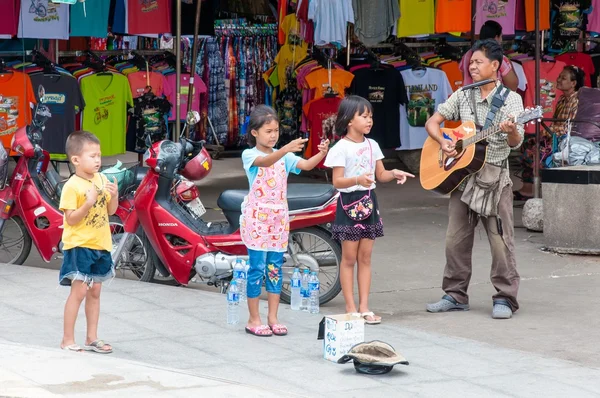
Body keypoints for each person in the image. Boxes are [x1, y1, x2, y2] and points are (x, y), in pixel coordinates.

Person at [424, 39, 525, 319]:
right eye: (471, 62)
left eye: (478, 61)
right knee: (455, 239)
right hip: (462, 176)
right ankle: (455, 295)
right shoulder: (463, 94)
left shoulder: (512, 100)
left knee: (500, 241)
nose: (473, 66)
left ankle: (505, 297)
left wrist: (510, 130)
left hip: (494, 176)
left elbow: (516, 141)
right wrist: (443, 141)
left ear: (496, 66)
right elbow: (432, 123)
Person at [324, 96, 414, 325]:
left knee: (365, 257)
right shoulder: (340, 147)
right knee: (349, 258)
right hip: (348, 203)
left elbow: (380, 175)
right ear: (348, 120)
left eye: (370, 116)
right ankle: (351, 307)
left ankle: (364, 307)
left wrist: (394, 173)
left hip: (369, 201)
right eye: (363, 116)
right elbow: (337, 181)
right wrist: (357, 179)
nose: (369, 120)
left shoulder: (372, 145)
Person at [241, 105, 330, 337]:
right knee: (257, 268)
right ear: (254, 133)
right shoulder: (250, 155)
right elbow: (267, 161)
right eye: (268, 131)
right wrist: (287, 149)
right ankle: (254, 318)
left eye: (276, 130)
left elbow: (307, 165)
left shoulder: (285, 156)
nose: (273, 135)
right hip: (258, 220)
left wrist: (321, 152)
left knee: (274, 268)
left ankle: (273, 317)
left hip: (278, 220)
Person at [59, 131, 119, 352]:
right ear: (76, 160)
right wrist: (88, 203)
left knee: (95, 291)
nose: (98, 160)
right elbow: (71, 219)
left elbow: (111, 211)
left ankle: (91, 337)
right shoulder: (72, 186)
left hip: (101, 244)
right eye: (92, 156)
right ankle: (67, 339)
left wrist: (114, 195)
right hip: (80, 245)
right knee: (80, 291)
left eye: (99, 156)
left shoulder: (101, 179)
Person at [515, 65, 585, 199]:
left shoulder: (576, 100)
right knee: (525, 143)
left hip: (565, 141)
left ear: (573, 83)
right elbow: (555, 123)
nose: (558, 80)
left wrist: (548, 132)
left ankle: (543, 188)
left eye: (563, 78)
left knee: (533, 152)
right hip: (554, 137)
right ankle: (528, 188)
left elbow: (569, 128)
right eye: (559, 76)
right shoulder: (562, 99)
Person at [459, 20, 519, 92]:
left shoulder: (467, 55)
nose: (501, 40)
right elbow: (513, 85)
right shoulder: (497, 56)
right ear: (496, 37)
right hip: (491, 100)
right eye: (501, 36)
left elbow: (465, 77)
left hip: (469, 99)